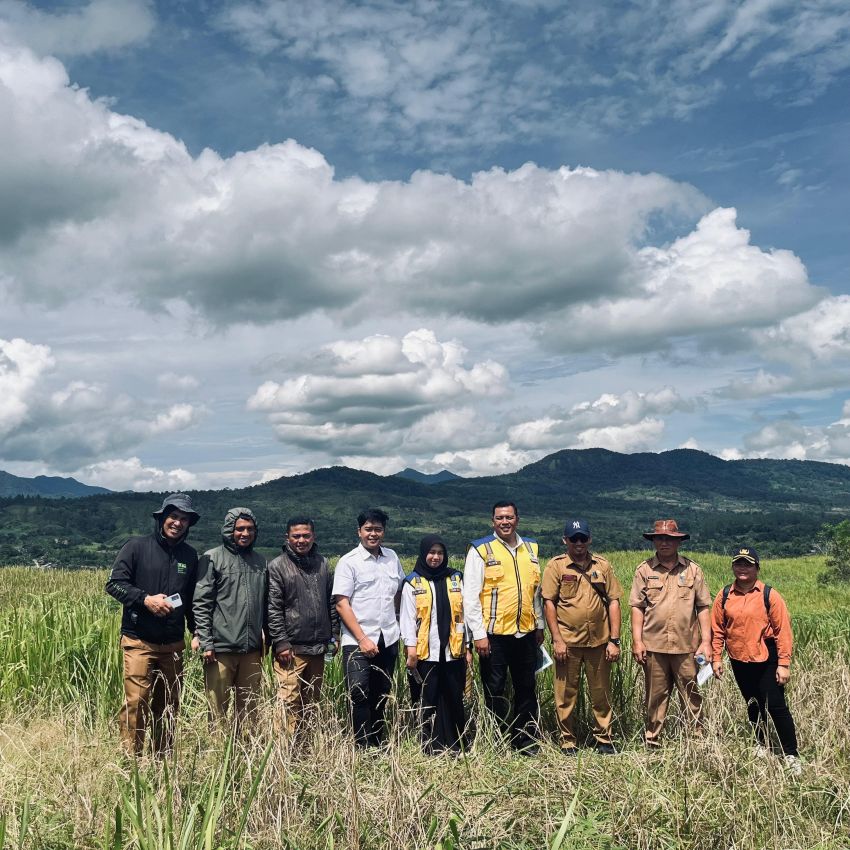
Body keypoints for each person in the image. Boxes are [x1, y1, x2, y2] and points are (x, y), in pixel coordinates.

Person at [105, 493, 200, 756]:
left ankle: (163, 761)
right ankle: (131, 760)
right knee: (136, 702)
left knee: (169, 704)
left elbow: (191, 600)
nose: (178, 523)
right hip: (138, 640)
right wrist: (145, 600)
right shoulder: (136, 547)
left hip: (173, 644)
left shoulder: (190, 556)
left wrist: (197, 631)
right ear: (161, 519)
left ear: (189, 524)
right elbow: (113, 584)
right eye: (173, 517)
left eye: (184, 519)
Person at [462, 501, 544, 754]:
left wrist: (539, 625)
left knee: (526, 688)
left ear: (517, 519)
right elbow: (470, 597)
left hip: (525, 633)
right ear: (493, 521)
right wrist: (478, 635)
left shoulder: (531, 548)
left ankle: (525, 741)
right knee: (495, 689)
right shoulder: (480, 549)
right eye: (500, 518)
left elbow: (536, 592)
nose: (505, 522)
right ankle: (496, 740)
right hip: (494, 635)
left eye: (509, 517)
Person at [711, 547, 800, 773]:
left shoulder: (769, 595)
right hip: (739, 658)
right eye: (738, 563)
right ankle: (761, 743)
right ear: (733, 566)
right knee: (752, 703)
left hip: (766, 657)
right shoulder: (724, 595)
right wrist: (716, 658)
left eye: (748, 564)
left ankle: (791, 754)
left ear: (757, 568)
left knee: (776, 706)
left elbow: (783, 632)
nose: (742, 568)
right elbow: (718, 630)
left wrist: (783, 664)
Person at [542, 519, 623, 755]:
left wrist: (614, 640)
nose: (579, 543)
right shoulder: (556, 567)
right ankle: (567, 741)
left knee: (601, 694)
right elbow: (549, 603)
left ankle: (604, 739)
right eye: (573, 538)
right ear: (565, 540)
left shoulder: (603, 566)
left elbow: (614, 602)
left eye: (583, 538)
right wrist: (556, 639)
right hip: (568, 643)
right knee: (565, 695)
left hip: (599, 642)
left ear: (589, 539)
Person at [629, 519, 712, 748]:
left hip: (686, 646)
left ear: (678, 542)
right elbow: (637, 607)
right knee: (655, 697)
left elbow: (703, 607)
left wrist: (706, 642)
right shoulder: (644, 570)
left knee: (691, 695)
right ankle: (653, 740)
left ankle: (696, 741)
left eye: (669, 539)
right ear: (653, 541)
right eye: (659, 538)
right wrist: (637, 641)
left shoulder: (693, 570)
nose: (664, 542)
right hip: (653, 646)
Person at [333, 508, 405, 749]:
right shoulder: (349, 561)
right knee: (359, 692)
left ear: (383, 532)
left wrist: (397, 622)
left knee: (382, 690)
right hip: (357, 639)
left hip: (388, 636)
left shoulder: (392, 557)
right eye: (368, 529)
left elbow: (398, 593)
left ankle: (378, 741)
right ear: (359, 531)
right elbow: (342, 604)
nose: (373, 534)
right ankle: (361, 746)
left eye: (378, 529)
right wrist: (362, 638)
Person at [193, 507, 267, 733]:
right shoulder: (212, 558)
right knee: (217, 710)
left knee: (250, 711)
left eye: (250, 529)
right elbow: (201, 602)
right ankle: (217, 757)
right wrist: (206, 642)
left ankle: (245, 756)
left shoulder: (261, 562)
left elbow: (266, 603)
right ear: (229, 530)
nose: (245, 533)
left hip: (252, 650)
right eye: (240, 529)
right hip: (220, 649)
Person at [268, 516, 339, 736]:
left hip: (318, 648)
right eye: (296, 536)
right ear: (287, 538)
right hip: (291, 650)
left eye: (306, 535)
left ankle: (306, 749)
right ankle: (283, 750)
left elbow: (331, 602)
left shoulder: (323, 564)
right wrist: (280, 642)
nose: (301, 540)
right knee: (288, 701)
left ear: (313, 536)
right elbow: (273, 608)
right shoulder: (277, 566)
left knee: (312, 703)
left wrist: (334, 635)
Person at [400, 534, 468, 754]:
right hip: (425, 652)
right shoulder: (413, 581)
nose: (435, 557)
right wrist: (411, 648)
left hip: (453, 650)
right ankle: (429, 745)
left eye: (440, 553)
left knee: (454, 696)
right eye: (431, 552)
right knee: (427, 697)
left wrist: (468, 647)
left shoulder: (456, 578)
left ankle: (456, 743)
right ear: (423, 554)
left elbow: (465, 615)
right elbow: (407, 618)